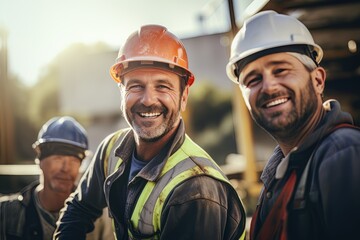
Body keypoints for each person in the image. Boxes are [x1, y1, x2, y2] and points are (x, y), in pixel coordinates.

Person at [54, 24, 246, 240]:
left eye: (163, 86)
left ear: (183, 97)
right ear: (122, 92)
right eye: (136, 86)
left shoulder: (196, 188)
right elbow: (79, 210)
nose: (148, 100)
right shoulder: (112, 149)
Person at [226, 10, 360, 240]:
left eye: (281, 70)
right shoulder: (279, 171)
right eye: (253, 79)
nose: (268, 87)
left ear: (317, 80)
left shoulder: (343, 153)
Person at [0, 116, 114, 240]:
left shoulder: (99, 218)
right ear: (39, 159)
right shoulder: (6, 214)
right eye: (58, 159)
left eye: (73, 161)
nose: (65, 168)